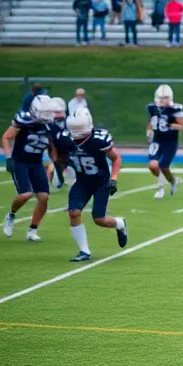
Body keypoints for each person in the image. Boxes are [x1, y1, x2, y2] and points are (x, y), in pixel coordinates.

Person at [52, 108, 127, 262]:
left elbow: (116, 159)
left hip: (101, 181)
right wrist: (60, 167)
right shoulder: (64, 137)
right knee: (73, 212)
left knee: (99, 219)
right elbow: (56, 150)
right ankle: (84, 251)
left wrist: (113, 179)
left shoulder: (99, 138)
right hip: (82, 181)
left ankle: (120, 224)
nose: (78, 134)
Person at [1, 95, 55, 242]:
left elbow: (52, 146)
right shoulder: (24, 119)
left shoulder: (50, 124)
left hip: (37, 162)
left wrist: (54, 164)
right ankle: (11, 215)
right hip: (20, 162)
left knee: (44, 197)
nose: (46, 116)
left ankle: (32, 230)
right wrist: (9, 157)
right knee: (26, 194)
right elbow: (6, 137)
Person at [146, 84, 183, 199]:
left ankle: (173, 181)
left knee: (163, 166)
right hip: (156, 140)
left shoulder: (175, 109)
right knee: (153, 165)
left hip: (170, 142)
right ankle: (161, 186)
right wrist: (149, 131)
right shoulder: (152, 108)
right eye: (161, 97)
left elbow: (182, 126)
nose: (162, 100)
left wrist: (170, 125)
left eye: (165, 98)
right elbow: (151, 121)